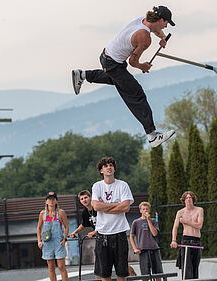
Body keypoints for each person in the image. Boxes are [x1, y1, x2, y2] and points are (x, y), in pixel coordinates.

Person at [72, 6, 176, 148]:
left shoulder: (141, 20)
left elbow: (156, 29)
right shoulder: (145, 37)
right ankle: (152, 136)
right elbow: (132, 62)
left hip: (106, 56)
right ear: (160, 20)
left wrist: (163, 37)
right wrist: (143, 66)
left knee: (117, 80)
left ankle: (82, 74)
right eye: (166, 23)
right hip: (114, 64)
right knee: (136, 94)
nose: (166, 26)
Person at [91, 157, 134, 281]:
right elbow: (96, 206)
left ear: (114, 168)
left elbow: (126, 207)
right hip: (103, 234)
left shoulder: (123, 185)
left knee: (122, 272)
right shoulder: (97, 186)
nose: (109, 167)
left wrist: (104, 207)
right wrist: (116, 204)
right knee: (104, 273)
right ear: (101, 171)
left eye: (111, 165)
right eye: (105, 166)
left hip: (120, 232)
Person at [170, 191, 203, 279]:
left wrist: (186, 221)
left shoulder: (199, 210)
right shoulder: (180, 212)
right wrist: (174, 240)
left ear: (193, 199)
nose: (188, 199)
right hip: (186, 240)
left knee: (195, 267)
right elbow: (175, 227)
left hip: (196, 240)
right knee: (187, 268)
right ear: (184, 200)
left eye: (190, 198)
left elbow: (199, 225)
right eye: (187, 198)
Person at [37, 192, 69, 281]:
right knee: (51, 268)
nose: (51, 201)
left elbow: (66, 227)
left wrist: (64, 238)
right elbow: (39, 228)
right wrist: (39, 241)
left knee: (61, 266)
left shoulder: (61, 213)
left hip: (59, 243)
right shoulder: (42, 214)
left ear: (56, 201)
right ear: (46, 201)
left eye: (53, 199)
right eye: (49, 199)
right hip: (47, 243)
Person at [130, 202, 163, 281]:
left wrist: (148, 221)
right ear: (140, 210)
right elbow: (131, 236)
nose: (145, 211)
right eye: (143, 209)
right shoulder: (136, 222)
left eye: (147, 209)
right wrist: (135, 248)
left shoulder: (153, 221)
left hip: (154, 249)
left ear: (149, 210)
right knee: (145, 275)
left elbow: (154, 234)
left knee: (158, 274)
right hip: (143, 250)